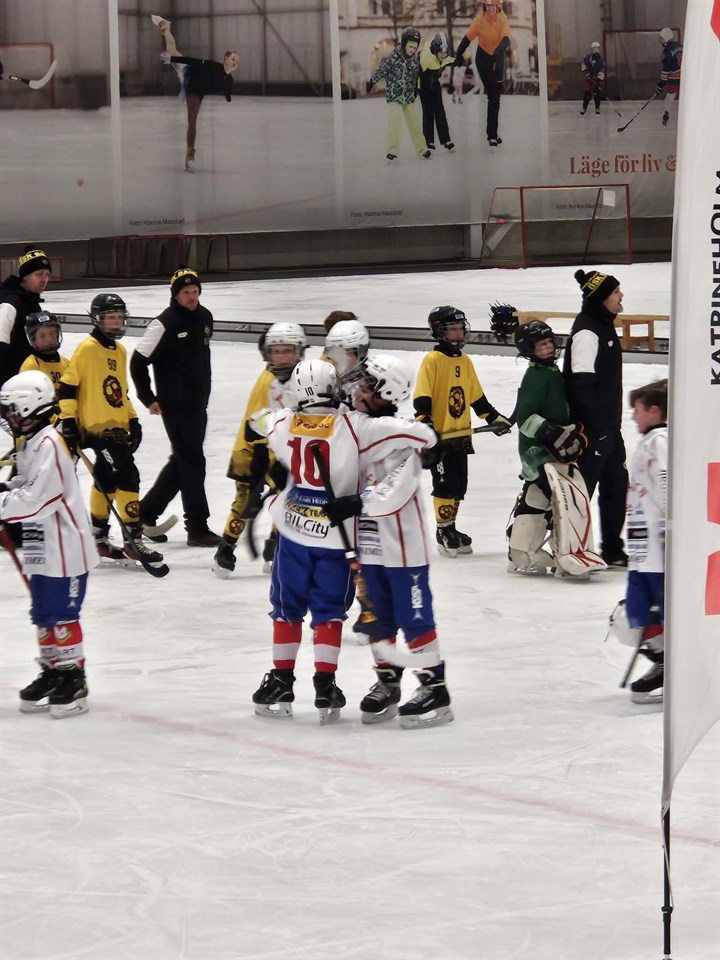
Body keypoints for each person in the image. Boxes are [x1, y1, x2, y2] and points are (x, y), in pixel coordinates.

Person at [249, 358, 436, 724]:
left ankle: (282, 680)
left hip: (294, 532)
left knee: (286, 608)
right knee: (329, 611)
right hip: (337, 536)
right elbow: (420, 434)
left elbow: (257, 420)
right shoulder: (354, 424)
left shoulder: (284, 422)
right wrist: (428, 442)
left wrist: (281, 443)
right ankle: (325, 685)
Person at [324, 354, 452, 727]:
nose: (358, 390)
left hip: (403, 550)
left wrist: (355, 502)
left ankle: (434, 687)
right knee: (376, 617)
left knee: (414, 617)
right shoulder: (362, 429)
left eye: (367, 386)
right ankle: (388, 680)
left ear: (387, 393)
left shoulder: (401, 443)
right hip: (368, 547)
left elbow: (392, 495)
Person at [0, 370, 98, 718]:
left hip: (65, 548)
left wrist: (3, 503)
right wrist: (6, 489)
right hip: (42, 544)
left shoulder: (51, 445)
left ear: (29, 407)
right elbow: (26, 485)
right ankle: (53, 670)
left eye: (11, 409)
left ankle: (74, 677)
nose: (8, 417)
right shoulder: (32, 442)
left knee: (61, 613)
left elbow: (40, 499)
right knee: (42, 612)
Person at [58, 294, 163, 570]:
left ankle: (98, 539)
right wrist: (68, 421)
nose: (116, 323)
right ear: (97, 320)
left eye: (119, 317)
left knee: (106, 479)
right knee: (128, 475)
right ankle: (133, 539)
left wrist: (133, 421)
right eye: (110, 318)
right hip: (96, 432)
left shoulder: (120, 351)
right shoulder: (87, 348)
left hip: (117, 430)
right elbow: (68, 387)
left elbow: (121, 394)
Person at [492, 311, 598, 577]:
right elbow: (526, 418)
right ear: (529, 351)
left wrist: (571, 428)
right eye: (541, 345)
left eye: (549, 342)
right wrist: (547, 430)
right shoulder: (535, 377)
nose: (548, 347)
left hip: (557, 449)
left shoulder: (552, 372)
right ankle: (520, 552)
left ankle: (558, 548)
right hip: (536, 452)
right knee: (538, 495)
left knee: (558, 499)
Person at [130, 267, 220, 547]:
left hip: (198, 403)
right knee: (193, 462)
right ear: (175, 295)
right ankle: (197, 526)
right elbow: (138, 361)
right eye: (186, 292)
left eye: (195, 291)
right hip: (176, 406)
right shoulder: (164, 323)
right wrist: (148, 397)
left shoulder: (205, 317)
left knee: (183, 460)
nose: (192, 297)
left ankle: (145, 512)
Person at [413, 305, 512, 558]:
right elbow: (422, 397)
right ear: (439, 332)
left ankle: (451, 527)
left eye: (460, 328)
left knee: (458, 485)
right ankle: (443, 530)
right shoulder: (432, 361)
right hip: (440, 439)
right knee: (444, 484)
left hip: (461, 436)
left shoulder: (465, 361)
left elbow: (476, 397)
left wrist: (493, 417)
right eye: (452, 329)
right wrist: (425, 423)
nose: (458, 333)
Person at [213, 321, 306, 578]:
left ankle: (273, 549)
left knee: (285, 499)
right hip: (252, 452)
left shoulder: (295, 378)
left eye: (288, 351)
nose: (282, 356)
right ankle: (225, 549)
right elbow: (254, 424)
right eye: (277, 351)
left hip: (280, 451)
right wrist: (260, 457)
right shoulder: (269, 381)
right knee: (245, 501)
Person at [563, 270, 628, 567]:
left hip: (609, 428)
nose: (621, 295)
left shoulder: (603, 324)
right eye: (616, 292)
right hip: (591, 431)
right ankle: (568, 547)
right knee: (582, 492)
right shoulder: (587, 331)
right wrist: (597, 427)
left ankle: (612, 548)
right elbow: (581, 384)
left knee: (616, 486)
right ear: (602, 298)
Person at [623, 379, 668, 703]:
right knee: (637, 606)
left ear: (654, 411)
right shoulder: (647, 440)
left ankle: (673, 663)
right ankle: (664, 658)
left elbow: (666, 480)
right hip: (641, 544)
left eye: (637, 410)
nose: (633, 416)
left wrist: (669, 526)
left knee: (661, 606)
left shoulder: (660, 440)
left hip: (658, 544)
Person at [151, 15, 239, 172]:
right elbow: (194, 61)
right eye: (233, 59)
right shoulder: (213, 66)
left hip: (199, 90)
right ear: (225, 58)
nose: (235, 63)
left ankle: (165, 27)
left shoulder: (229, 80)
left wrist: (228, 96)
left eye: (237, 62)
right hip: (189, 76)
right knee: (192, 119)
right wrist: (172, 59)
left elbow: (227, 92)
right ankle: (190, 156)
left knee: (171, 48)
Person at [366, 27, 431, 162]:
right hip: (394, 94)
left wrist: (415, 89)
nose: (412, 50)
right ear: (404, 44)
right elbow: (383, 69)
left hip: (408, 95)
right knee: (394, 121)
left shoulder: (414, 62)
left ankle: (422, 149)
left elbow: (415, 77)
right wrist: (372, 81)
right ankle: (392, 150)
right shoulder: (394, 57)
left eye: (415, 47)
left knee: (414, 123)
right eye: (410, 46)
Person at [454, 1, 512, 147]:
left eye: (493, 6)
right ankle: (491, 135)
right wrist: (459, 54)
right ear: (485, 6)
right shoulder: (479, 20)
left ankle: (493, 132)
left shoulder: (503, 19)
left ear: (497, 6)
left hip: (498, 60)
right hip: (483, 60)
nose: (491, 8)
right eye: (488, 6)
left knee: (496, 97)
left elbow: (506, 37)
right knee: (492, 95)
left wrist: (499, 51)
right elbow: (467, 38)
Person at [0, 246, 52, 384]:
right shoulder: (10, 304)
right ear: (25, 276)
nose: (44, 279)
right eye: (39, 274)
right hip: (10, 382)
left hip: (26, 379)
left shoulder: (31, 302)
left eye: (47, 274)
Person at [419, 32, 456, 152]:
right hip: (423, 85)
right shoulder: (425, 58)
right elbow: (417, 74)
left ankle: (446, 140)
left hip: (434, 84)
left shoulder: (442, 56)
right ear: (435, 49)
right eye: (441, 52)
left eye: (445, 52)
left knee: (440, 111)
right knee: (428, 112)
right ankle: (429, 140)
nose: (443, 55)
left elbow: (451, 60)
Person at [19, 312, 69, 389]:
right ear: (33, 340)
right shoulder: (30, 366)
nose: (49, 339)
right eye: (42, 336)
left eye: (52, 334)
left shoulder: (67, 364)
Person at [656, 27, 682, 127]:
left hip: (674, 79)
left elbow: (665, 73)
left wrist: (660, 85)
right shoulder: (680, 46)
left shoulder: (665, 53)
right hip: (685, 78)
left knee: (670, 96)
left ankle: (666, 113)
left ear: (664, 38)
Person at [580, 41, 605, 116]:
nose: (595, 50)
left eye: (597, 48)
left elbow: (602, 70)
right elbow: (583, 64)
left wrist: (598, 79)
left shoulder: (601, 59)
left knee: (597, 94)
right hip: (589, 79)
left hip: (596, 79)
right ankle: (584, 108)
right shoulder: (588, 57)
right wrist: (587, 73)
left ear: (599, 49)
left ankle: (597, 108)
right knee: (587, 94)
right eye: (594, 48)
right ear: (592, 49)